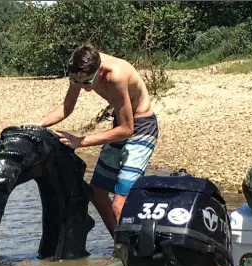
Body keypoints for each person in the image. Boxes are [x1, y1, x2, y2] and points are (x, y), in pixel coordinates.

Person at [32, 43, 159, 238]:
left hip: (141, 127)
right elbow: (68, 106)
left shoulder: (115, 76)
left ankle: (133, 254)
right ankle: (119, 246)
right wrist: (39, 124)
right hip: (120, 124)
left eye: (86, 83)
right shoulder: (80, 69)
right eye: (75, 81)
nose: (82, 88)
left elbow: (127, 129)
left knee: (119, 204)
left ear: (100, 71)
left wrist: (80, 141)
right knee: (97, 193)